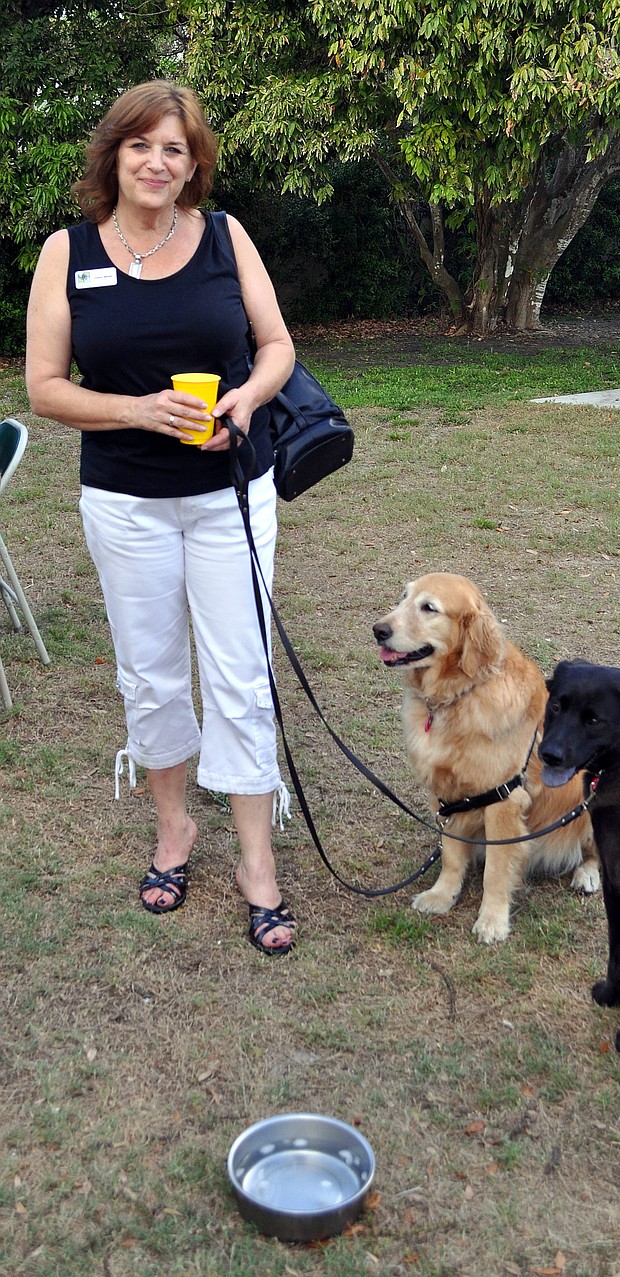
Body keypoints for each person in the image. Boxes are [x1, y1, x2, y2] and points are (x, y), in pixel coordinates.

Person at [26, 81, 298, 955]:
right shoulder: (66, 253)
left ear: (193, 166)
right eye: (142, 145)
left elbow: (278, 346)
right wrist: (140, 412)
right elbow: (44, 388)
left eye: (175, 149)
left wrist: (250, 400)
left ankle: (258, 862)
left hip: (230, 497)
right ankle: (175, 829)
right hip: (125, 503)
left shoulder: (225, 236)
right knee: (150, 674)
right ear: (115, 156)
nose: (157, 161)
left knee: (242, 675)